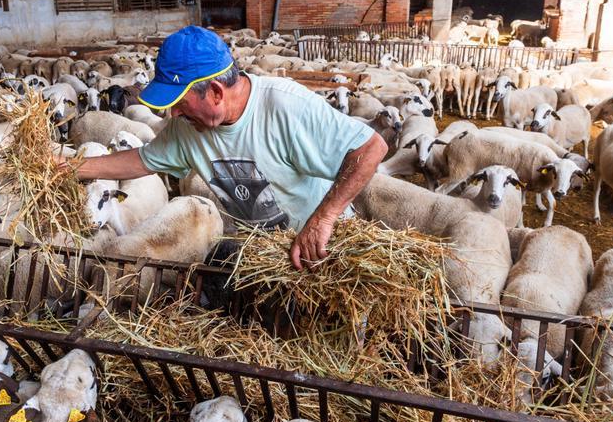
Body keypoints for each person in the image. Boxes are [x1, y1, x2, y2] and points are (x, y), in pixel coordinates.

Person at [60, 26, 386, 269]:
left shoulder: (287, 106)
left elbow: (371, 148)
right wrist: (71, 167)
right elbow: (142, 161)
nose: (173, 114)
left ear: (215, 92)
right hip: (270, 257)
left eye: (180, 103)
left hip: (326, 247)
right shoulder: (187, 128)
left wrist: (323, 219)